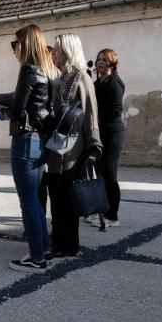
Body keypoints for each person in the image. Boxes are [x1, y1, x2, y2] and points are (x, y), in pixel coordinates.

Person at [0, 24, 59, 273]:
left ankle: (36, 259)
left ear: (26, 44)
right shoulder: (51, 70)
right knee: (34, 200)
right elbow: (29, 101)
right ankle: (43, 248)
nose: (15, 50)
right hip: (41, 141)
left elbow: (18, 109)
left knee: (28, 203)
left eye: (17, 44)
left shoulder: (28, 69)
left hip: (25, 140)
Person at [44, 33, 102, 258]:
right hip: (55, 148)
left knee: (67, 201)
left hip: (72, 150)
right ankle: (57, 240)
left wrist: (94, 146)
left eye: (57, 49)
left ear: (68, 51)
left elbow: (90, 114)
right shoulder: (61, 76)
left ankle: (67, 246)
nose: (54, 53)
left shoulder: (81, 77)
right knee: (57, 199)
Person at [88, 48, 125, 228]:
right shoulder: (97, 84)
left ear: (111, 63)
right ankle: (102, 211)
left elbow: (115, 111)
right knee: (100, 174)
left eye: (104, 60)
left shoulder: (115, 83)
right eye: (98, 59)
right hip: (101, 132)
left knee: (110, 174)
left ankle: (113, 216)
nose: (100, 62)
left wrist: (98, 118)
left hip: (113, 132)